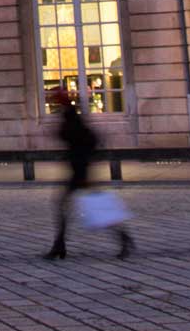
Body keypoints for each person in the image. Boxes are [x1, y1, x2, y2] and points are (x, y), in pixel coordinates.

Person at [43, 83, 133, 261]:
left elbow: (80, 140)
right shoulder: (70, 116)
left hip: (80, 171)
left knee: (73, 206)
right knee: (73, 206)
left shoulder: (71, 118)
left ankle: (60, 246)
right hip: (79, 169)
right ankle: (59, 246)